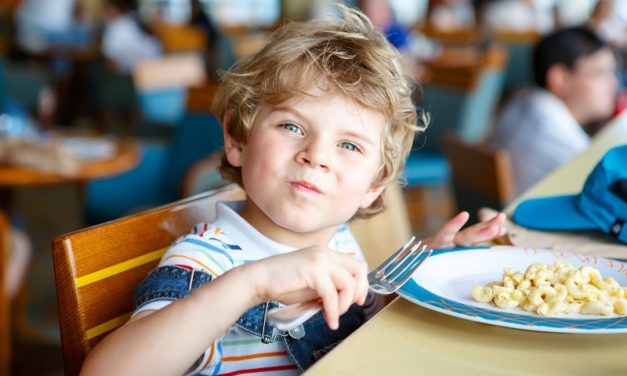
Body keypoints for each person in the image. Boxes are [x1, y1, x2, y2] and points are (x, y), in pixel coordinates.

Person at [81, 6, 505, 375]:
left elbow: (353, 331)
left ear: (373, 188)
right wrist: (252, 284)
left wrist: (414, 277)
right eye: (291, 126)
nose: (316, 156)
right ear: (238, 139)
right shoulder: (208, 261)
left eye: (349, 145)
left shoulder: (335, 234)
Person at [487, 26, 618, 196]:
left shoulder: (522, 99)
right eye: (601, 73)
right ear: (560, 79)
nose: (614, 83)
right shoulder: (568, 148)